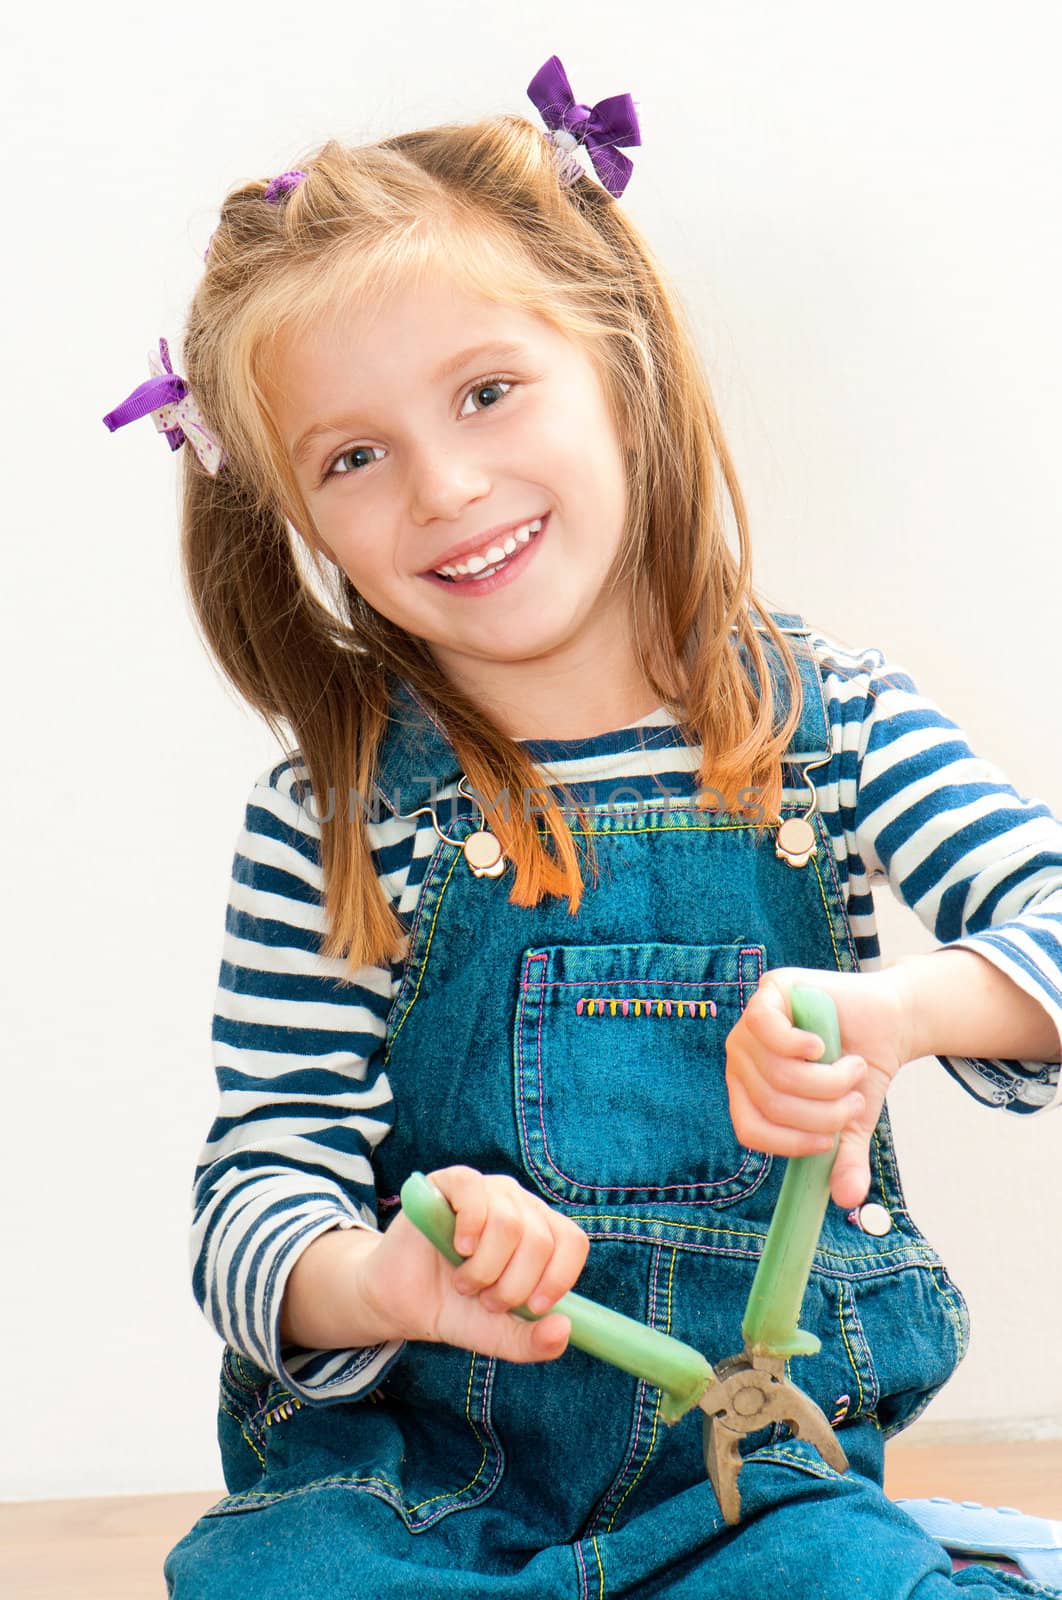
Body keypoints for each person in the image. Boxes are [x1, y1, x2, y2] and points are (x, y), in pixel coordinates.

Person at [103, 54, 1062, 1600]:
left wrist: (893, 1016)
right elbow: (252, 1203)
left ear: (615, 362)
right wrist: (386, 1279)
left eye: (486, 390)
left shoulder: (837, 727)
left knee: (841, 1582)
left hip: (759, 1484)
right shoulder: (338, 816)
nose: (447, 484)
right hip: (418, 1492)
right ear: (292, 507)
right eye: (354, 457)